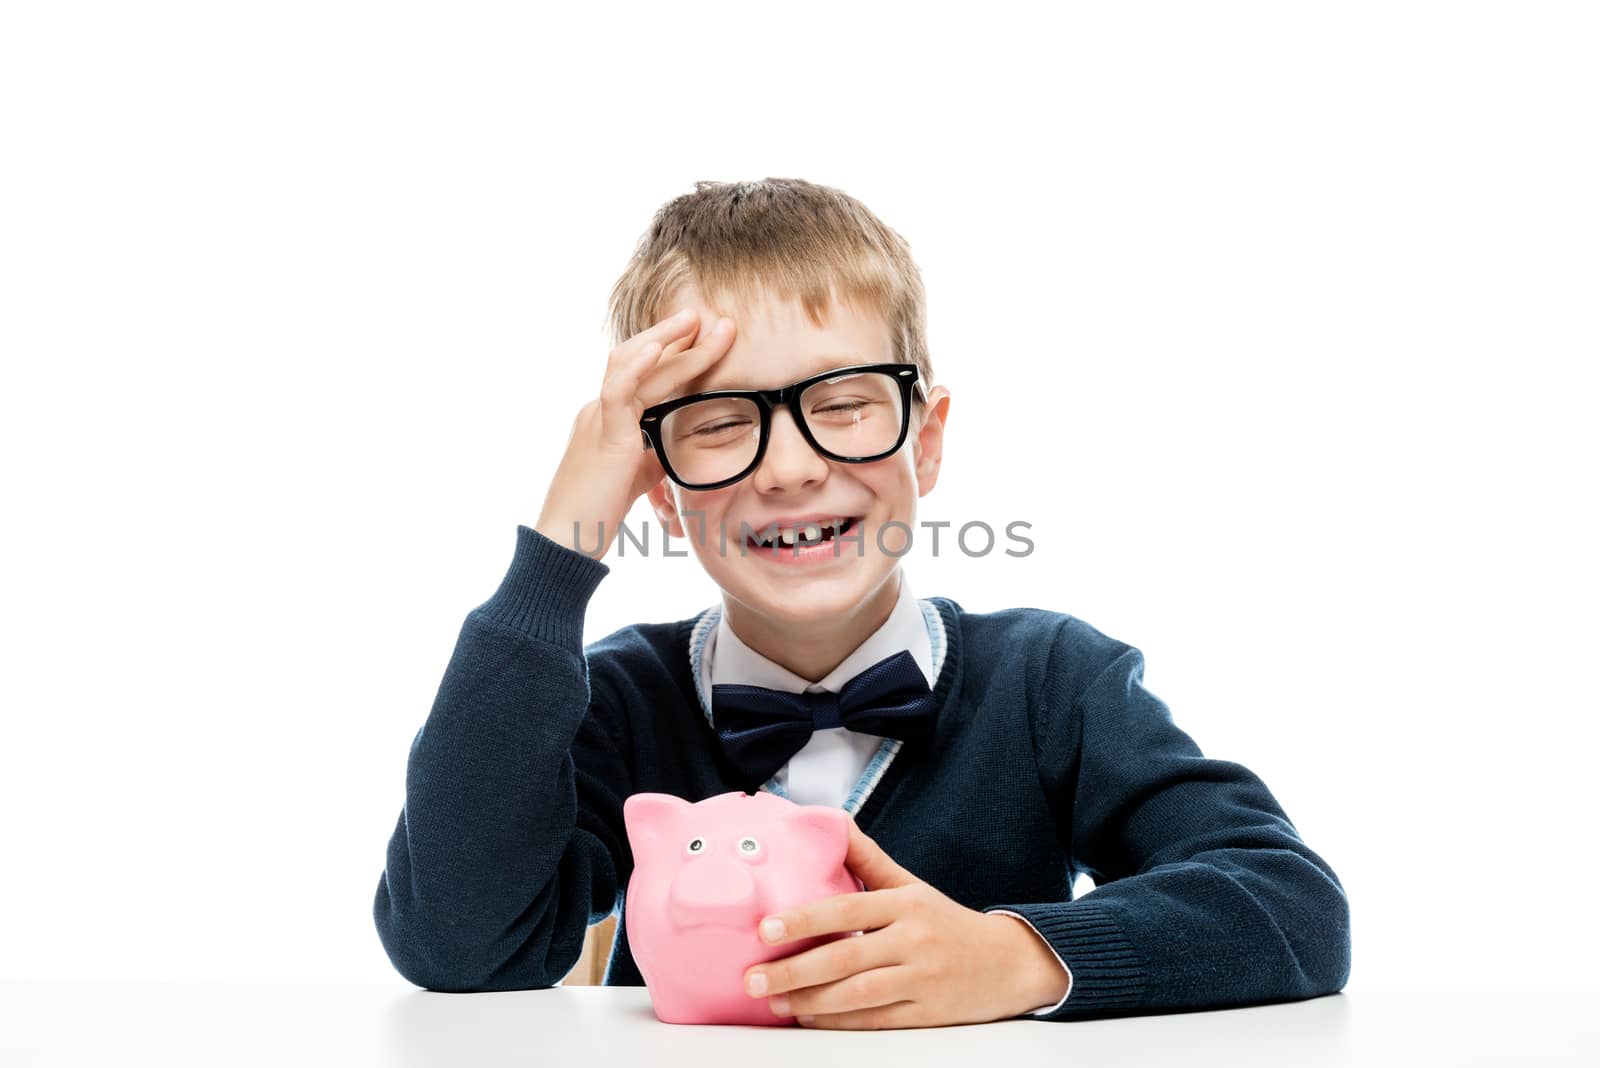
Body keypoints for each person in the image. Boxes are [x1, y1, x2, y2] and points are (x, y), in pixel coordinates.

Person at [372, 177, 1351, 1027]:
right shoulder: (614, 703)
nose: (793, 469)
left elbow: (1291, 908)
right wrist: (560, 546)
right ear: (657, 486)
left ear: (925, 442)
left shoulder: (1052, 682)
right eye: (718, 422)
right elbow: (459, 947)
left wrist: (1014, 957)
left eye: (841, 404)